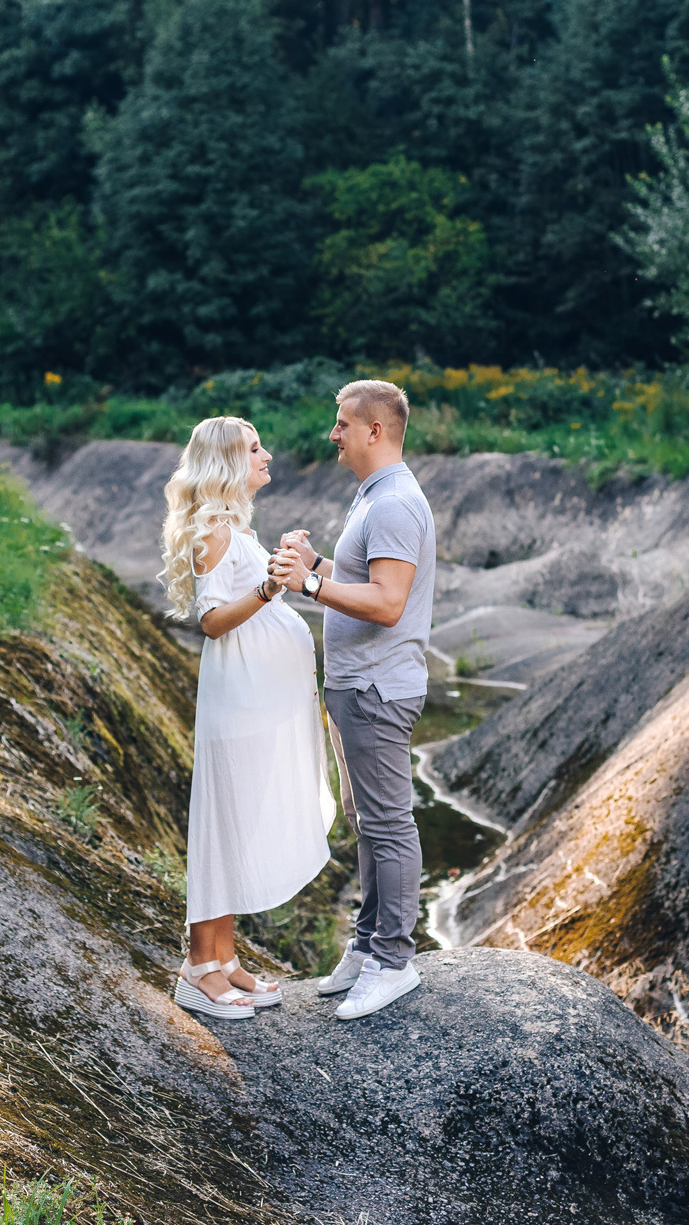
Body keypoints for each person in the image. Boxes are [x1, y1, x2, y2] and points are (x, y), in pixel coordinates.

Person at [269, 379, 435, 1021]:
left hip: (376, 689)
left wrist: (309, 585)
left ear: (375, 430)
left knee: (388, 823)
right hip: (356, 686)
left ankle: (394, 961)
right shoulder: (374, 496)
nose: (332, 434)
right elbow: (365, 580)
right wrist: (319, 567)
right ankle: (368, 944)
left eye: (341, 423)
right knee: (366, 820)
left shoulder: (394, 503)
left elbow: (389, 603)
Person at [158, 416, 334, 1021]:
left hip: (258, 703)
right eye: (255, 449)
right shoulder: (213, 530)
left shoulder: (236, 528)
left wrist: (280, 564)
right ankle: (198, 968)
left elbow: (253, 591)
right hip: (238, 702)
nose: (267, 456)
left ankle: (225, 957)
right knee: (223, 827)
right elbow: (211, 620)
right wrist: (268, 589)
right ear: (228, 463)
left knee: (239, 827)